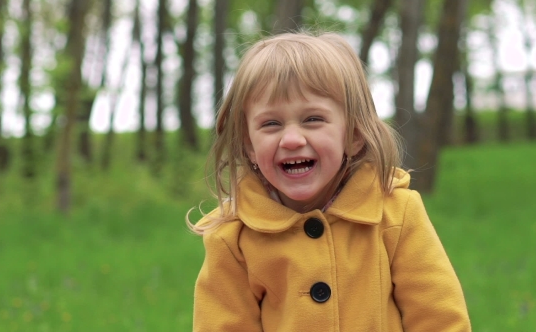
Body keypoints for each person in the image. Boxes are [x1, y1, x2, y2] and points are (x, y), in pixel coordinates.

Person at [188, 31, 471, 331]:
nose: (293, 139)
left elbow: (439, 319)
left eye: (313, 119)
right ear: (249, 146)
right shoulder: (233, 238)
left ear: (353, 136)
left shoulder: (395, 213)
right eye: (271, 124)